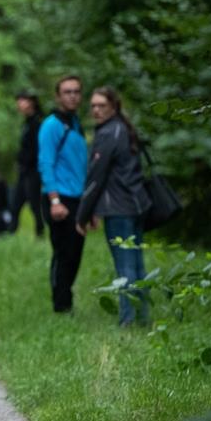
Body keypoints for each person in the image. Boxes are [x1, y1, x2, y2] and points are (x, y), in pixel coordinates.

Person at [76, 87, 153, 326]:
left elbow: (96, 177)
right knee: (137, 264)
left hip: (120, 209)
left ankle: (128, 320)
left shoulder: (109, 132)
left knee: (126, 266)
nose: (96, 110)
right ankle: (143, 318)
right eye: (93, 106)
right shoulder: (123, 128)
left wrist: (83, 215)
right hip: (136, 205)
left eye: (102, 105)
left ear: (114, 106)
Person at [38, 75, 89, 314]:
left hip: (77, 198)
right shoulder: (51, 125)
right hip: (58, 198)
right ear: (58, 96)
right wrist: (55, 200)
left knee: (75, 252)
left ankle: (65, 300)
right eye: (67, 92)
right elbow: (46, 163)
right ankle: (61, 305)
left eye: (77, 91)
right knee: (63, 252)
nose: (73, 96)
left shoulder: (76, 123)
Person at [11, 89, 45, 237]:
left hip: (32, 172)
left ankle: (40, 233)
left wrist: (27, 163)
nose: (18, 104)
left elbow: (36, 150)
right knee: (15, 203)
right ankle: (10, 235)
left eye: (22, 100)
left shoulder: (37, 123)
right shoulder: (27, 123)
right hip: (24, 171)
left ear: (31, 102)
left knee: (34, 205)